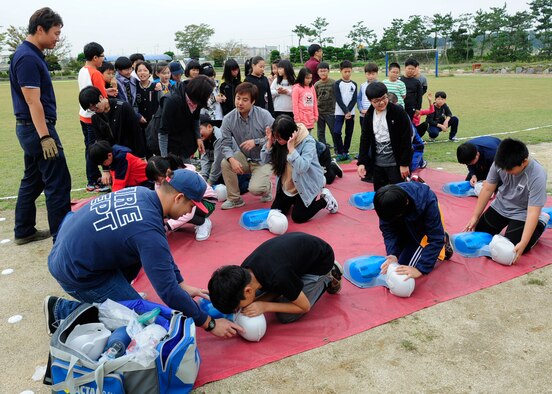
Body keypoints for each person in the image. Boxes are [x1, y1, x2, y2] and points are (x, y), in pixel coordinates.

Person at [45, 169, 242, 338]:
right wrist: (209, 323)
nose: (189, 213)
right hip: (78, 274)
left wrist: (181, 284)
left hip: (71, 252)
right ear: (179, 198)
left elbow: (161, 254)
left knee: (137, 253)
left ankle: (119, 294)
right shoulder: (147, 231)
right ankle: (60, 309)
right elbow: (168, 292)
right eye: (190, 206)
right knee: (141, 323)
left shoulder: (143, 194)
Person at [9, 7, 72, 245]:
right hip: (38, 129)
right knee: (58, 181)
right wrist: (45, 136)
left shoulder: (31, 54)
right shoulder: (27, 57)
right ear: (40, 29)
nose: (57, 38)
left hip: (30, 128)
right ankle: (63, 237)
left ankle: (23, 230)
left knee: (33, 178)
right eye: (55, 33)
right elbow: (32, 101)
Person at [208, 232, 343, 323]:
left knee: (286, 316)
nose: (238, 310)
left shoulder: (279, 276)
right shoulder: (243, 272)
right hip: (294, 260)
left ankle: (329, 276)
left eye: (237, 307)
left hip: (320, 261)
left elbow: (304, 307)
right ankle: (293, 285)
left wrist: (264, 306)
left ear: (248, 290)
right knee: (258, 297)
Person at [464, 138, 549, 264]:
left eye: (509, 170)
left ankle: (542, 221)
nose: (505, 172)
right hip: (501, 205)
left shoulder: (537, 175)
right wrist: (475, 216)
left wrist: (524, 242)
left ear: (524, 162)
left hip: (523, 211)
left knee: (512, 250)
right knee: (480, 234)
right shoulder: (500, 163)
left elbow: (532, 212)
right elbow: (488, 189)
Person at [260, 115, 338, 223]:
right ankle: (294, 201)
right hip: (288, 186)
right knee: (275, 211)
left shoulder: (308, 142)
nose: (277, 141)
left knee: (298, 217)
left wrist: (291, 149)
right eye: (275, 138)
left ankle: (325, 200)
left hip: (306, 185)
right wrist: (269, 142)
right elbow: (263, 160)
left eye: (279, 138)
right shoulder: (278, 140)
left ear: (289, 135)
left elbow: (302, 167)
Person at [374, 182, 453, 280]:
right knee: (396, 265)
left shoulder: (427, 201)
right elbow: (388, 231)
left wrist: (420, 269)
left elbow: (435, 239)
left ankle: (444, 243)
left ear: (406, 202)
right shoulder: (386, 203)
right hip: (404, 220)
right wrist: (393, 254)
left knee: (404, 271)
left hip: (423, 226)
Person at [220, 82, 274, 209]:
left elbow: (275, 137)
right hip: (245, 156)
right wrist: (232, 159)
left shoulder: (264, 115)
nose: (240, 103)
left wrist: (256, 142)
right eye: (238, 98)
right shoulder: (228, 119)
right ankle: (235, 199)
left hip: (264, 159)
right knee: (226, 163)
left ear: (253, 101)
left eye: (245, 100)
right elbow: (225, 144)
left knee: (255, 189)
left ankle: (267, 187)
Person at [146, 155, 216, 241]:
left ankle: (203, 222)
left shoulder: (184, 180)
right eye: (155, 181)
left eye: (159, 179)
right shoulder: (159, 183)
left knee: (184, 209)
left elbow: (188, 208)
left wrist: (168, 226)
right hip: (188, 202)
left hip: (206, 201)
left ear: (168, 172)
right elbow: (161, 203)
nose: (158, 182)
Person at [357, 82, 412, 191]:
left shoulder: (398, 112)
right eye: (376, 101)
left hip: (395, 164)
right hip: (377, 164)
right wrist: (362, 162)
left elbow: (406, 138)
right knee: (380, 194)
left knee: (398, 194)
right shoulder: (369, 114)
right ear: (370, 101)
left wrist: (404, 164)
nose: (381, 102)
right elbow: (365, 139)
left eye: (383, 98)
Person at [77, 42, 113, 192]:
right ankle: (93, 179)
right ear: (95, 57)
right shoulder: (96, 73)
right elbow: (101, 98)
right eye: (102, 56)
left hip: (83, 114)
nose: (103, 60)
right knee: (95, 148)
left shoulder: (82, 70)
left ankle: (93, 177)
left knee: (89, 148)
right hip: (94, 117)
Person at [158, 75, 215, 163]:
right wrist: (164, 159)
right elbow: (163, 132)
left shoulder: (197, 100)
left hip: (184, 139)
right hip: (168, 140)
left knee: (186, 169)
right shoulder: (172, 101)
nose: (208, 97)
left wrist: (198, 138)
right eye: (207, 95)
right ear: (199, 93)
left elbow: (195, 118)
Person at [79, 86, 146, 159]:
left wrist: (142, 156)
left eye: (95, 106)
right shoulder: (95, 117)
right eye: (90, 109)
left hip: (131, 155)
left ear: (101, 97)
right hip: (113, 158)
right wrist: (106, 168)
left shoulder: (123, 107)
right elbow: (101, 142)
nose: (94, 110)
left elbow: (136, 133)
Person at [88, 140, 152, 192]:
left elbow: (119, 184)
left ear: (109, 155)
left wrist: (112, 198)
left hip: (147, 183)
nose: (104, 165)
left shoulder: (122, 158)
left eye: (104, 163)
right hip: (136, 183)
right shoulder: (114, 155)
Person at [333, 60, 357, 161]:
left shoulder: (354, 84)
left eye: (349, 71)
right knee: (336, 132)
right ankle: (340, 151)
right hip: (339, 112)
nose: (347, 73)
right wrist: (345, 111)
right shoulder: (337, 84)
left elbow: (354, 99)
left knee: (349, 132)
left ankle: (346, 152)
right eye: (345, 71)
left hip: (351, 113)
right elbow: (338, 99)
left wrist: (348, 111)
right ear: (341, 71)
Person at [114, 56, 143, 123]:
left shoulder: (133, 79)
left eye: (131, 69)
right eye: (126, 70)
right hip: (123, 113)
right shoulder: (115, 83)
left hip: (134, 110)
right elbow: (121, 101)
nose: (129, 71)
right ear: (119, 70)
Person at [314, 62, 335, 146]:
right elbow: (315, 98)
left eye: (325, 71)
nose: (323, 73)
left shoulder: (333, 83)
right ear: (318, 72)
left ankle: (337, 148)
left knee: (334, 131)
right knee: (320, 132)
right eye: (321, 71)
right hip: (320, 112)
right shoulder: (316, 84)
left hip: (331, 112)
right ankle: (323, 148)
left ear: (328, 71)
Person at [292, 68, 318, 132]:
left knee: (308, 137)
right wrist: (297, 119)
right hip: (301, 119)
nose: (309, 80)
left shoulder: (311, 87)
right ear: (301, 77)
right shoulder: (296, 88)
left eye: (310, 78)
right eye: (307, 78)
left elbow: (314, 102)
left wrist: (316, 115)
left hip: (310, 118)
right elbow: (295, 104)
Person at [357, 63, 378, 129]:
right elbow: (359, 98)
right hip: (363, 115)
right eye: (368, 74)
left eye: (373, 74)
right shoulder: (363, 85)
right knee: (364, 133)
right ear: (365, 74)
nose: (371, 76)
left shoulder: (380, 86)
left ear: (377, 73)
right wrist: (361, 109)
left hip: (375, 115)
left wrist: (370, 111)